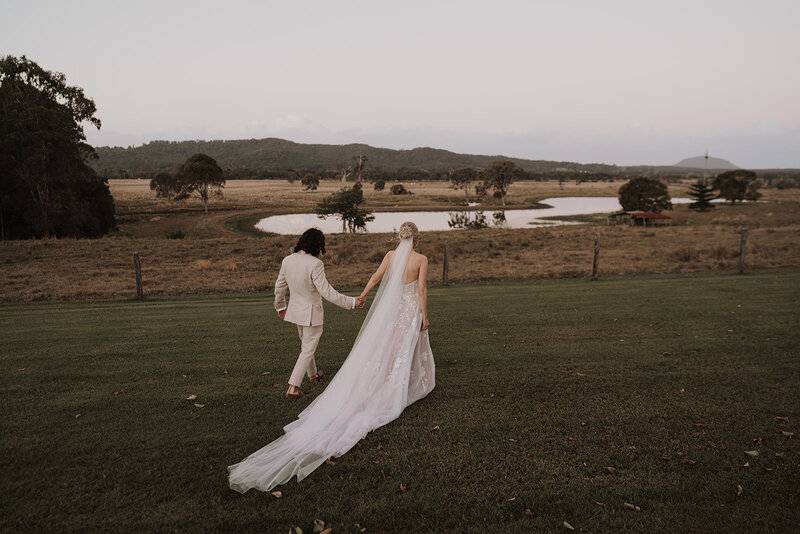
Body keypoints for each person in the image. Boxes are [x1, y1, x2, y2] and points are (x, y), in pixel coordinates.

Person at [229, 222, 435, 493]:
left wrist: (360, 296)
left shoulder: (388, 256)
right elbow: (420, 290)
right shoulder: (420, 259)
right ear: (416, 239)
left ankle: (317, 376)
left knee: (324, 345)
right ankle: (298, 384)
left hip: (317, 311)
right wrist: (421, 314)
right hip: (389, 309)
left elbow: (375, 277)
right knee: (392, 347)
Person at [273, 228, 366, 399]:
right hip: (311, 314)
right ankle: (292, 388)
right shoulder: (315, 264)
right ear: (318, 245)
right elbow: (327, 291)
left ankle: (313, 375)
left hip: (296, 312)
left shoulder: (288, 260)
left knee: (306, 347)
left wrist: (280, 306)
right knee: (307, 350)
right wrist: (352, 302)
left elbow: (279, 286)